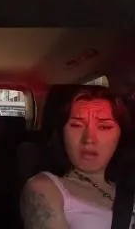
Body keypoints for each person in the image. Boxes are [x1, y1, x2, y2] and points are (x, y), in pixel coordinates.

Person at [21, 86, 131, 229]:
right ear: (61, 133)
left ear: (121, 134)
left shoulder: (128, 183)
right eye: (76, 125)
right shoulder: (45, 188)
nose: (89, 139)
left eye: (104, 127)